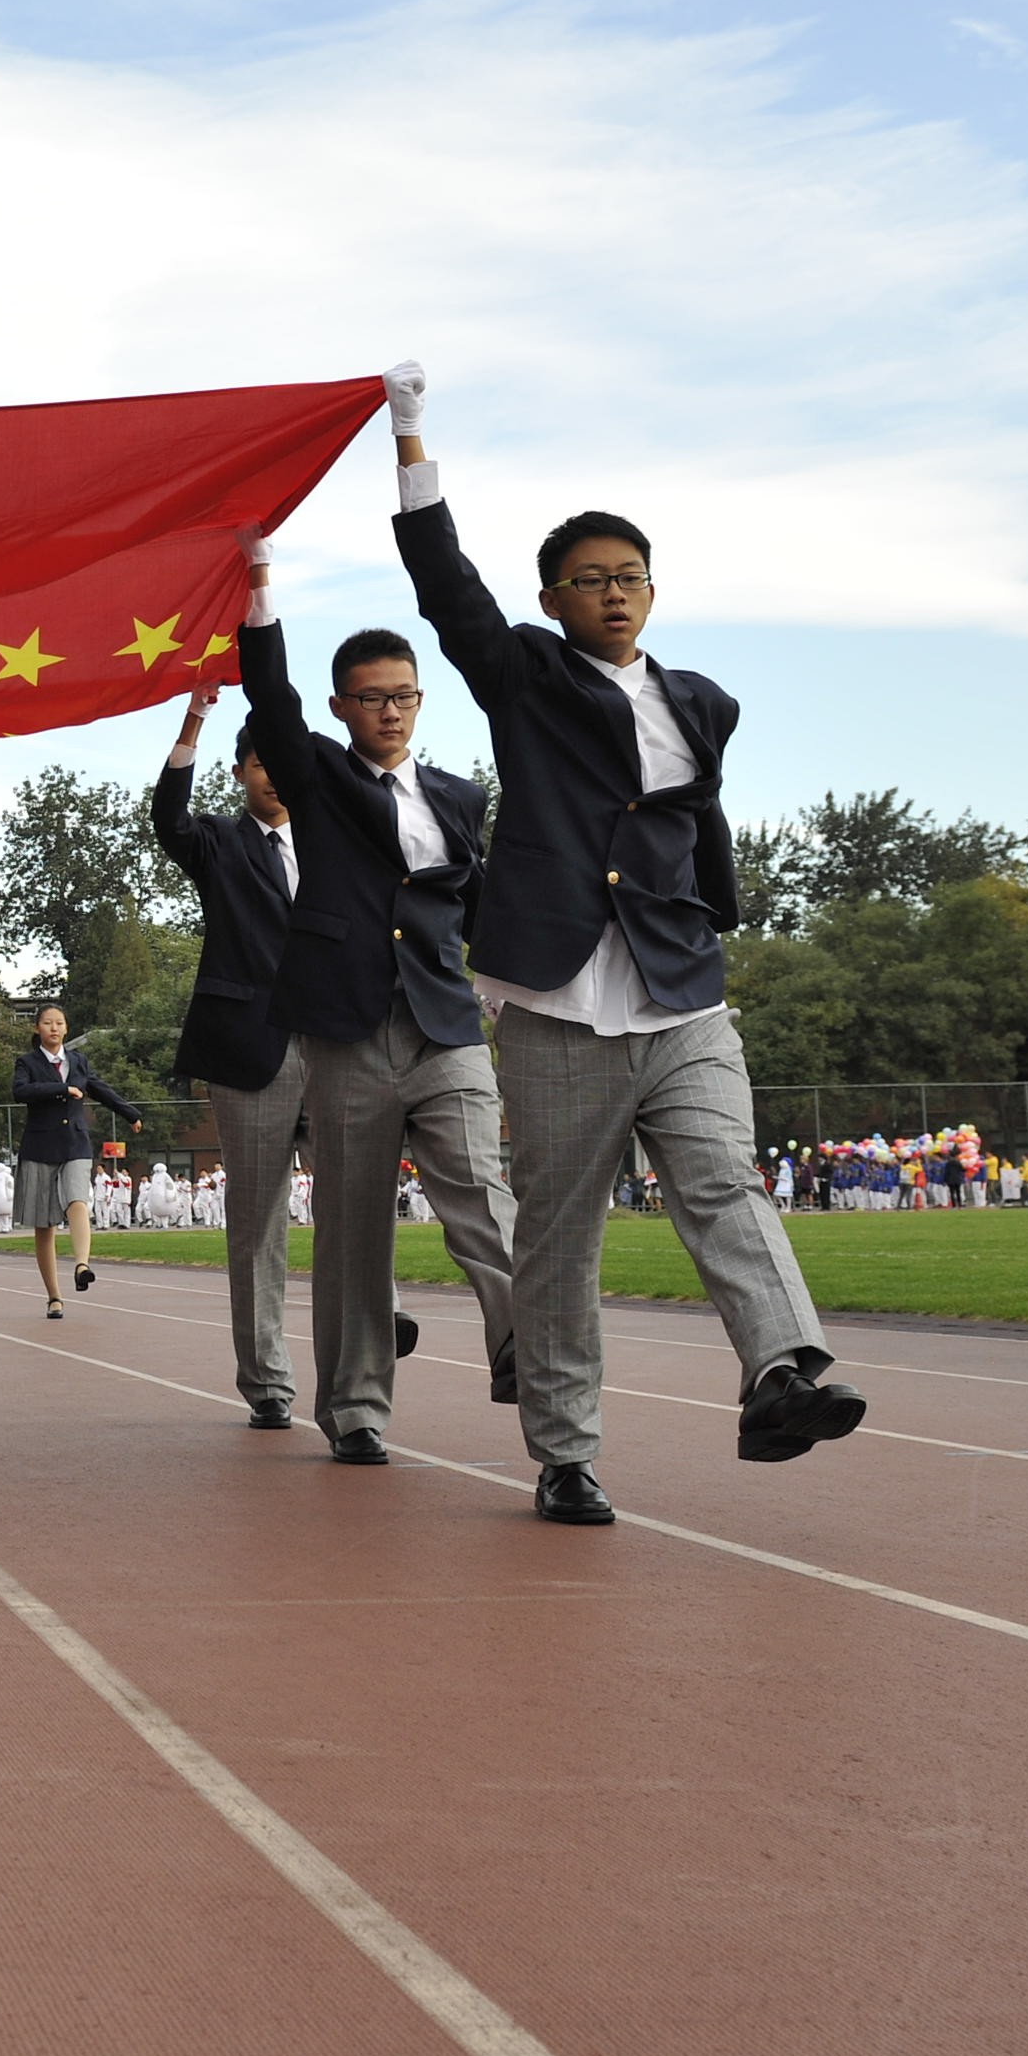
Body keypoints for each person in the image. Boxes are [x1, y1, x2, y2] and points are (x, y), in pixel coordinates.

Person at [389, 358, 863, 1517]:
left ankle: (781, 1373)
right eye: (590, 579)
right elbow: (444, 588)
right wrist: (409, 438)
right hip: (555, 1005)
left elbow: (697, 824)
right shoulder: (524, 676)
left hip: (680, 995)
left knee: (723, 1183)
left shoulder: (700, 702)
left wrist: (709, 921)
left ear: (652, 592)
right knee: (558, 1242)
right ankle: (563, 1454)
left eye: (630, 577)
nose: (613, 594)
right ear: (551, 598)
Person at [238, 532, 526, 1474]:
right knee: (355, 1236)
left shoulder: (459, 797)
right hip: (349, 1032)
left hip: (446, 1026)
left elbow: (480, 907)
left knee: (481, 1193)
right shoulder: (317, 776)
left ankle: (525, 1345)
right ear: (341, 706)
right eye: (372, 697)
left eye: (404, 695)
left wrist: (521, 987)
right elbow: (270, 700)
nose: (391, 710)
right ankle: (356, 1410)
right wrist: (259, 584)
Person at [151, 681, 310, 1425]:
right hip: (251, 1050)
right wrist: (194, 720)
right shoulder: (218, 841)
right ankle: (268, 1381)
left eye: (285, 759)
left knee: (361, 1199)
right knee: (258, 1225)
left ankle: (382, 1312)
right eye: (260, 761)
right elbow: (167, 819)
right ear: (241, 770)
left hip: (340, 1043)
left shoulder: (336, 840)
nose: (274, 773)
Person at [9, 1003, 141, 1322]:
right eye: (47, 1023)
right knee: (45, 1226)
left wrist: (130, 1113)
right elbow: (20, 1091)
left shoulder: (78, 1060)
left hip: (75, 1143)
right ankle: (54, 1297)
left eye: (59, 1023)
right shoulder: (27, 1062)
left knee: (78, 1201)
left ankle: (82, 1264)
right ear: (37, 1028)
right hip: (40, 1146)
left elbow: (100, 1089)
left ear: (66, 1028)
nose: (54, 1028)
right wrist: (62, 1089)